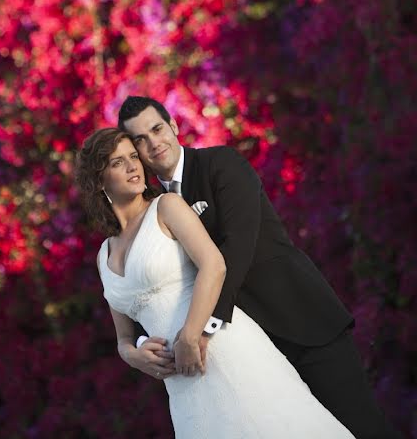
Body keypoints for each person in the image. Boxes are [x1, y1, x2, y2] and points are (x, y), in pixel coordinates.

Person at [116, 95, 398, 438]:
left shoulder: (222, 164)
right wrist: (144, 343)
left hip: (302, 326)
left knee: (363, 430)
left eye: (157, 129)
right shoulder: (155, 211)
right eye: (140, 140)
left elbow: (238, 248)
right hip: (253, 356)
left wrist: (203, 328)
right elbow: (161, 281)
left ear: (173, 126)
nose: (153, 143)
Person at [76, 128, 355, 437]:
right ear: (98, 180)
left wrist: (190, 337)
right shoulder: (104, 256)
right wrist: (133, 356)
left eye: (133, 157)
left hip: (218, 349)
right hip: (182, 384)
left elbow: (214, 265)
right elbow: (124, 338)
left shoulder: (166, 207)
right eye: (118, 162)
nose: (133, 166)